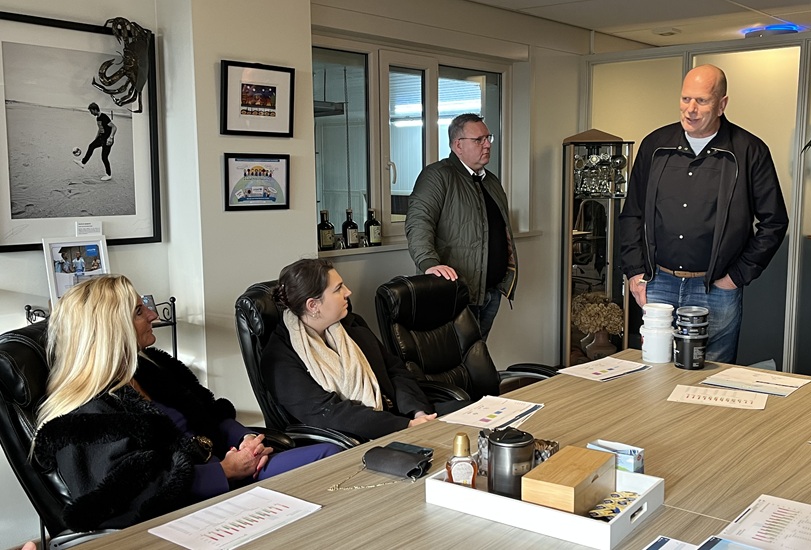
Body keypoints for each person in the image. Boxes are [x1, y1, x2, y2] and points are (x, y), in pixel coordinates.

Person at [32, 275, 340, 532]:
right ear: (113, 328)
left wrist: (245, 439)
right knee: (328, 466)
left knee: (333, 459)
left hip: (229, 474)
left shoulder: (150, 368)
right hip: (190, 510)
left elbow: (210, 413)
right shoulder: (85, 417)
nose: (153, 315)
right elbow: (133, 497)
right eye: (140, 311)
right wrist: (227, 471)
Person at [618, 64, 788, 363]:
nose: (691, 110)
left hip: (716, 287)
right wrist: (634, 271)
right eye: (685, 99)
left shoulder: (749, 150)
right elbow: (632, 213)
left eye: (702, 101)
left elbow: (774, 222)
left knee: (712, 377)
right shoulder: (655, 145)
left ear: (722, 104)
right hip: (658, 283)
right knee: (654, 373)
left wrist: (737, 276)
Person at [262, 258, 463, 441]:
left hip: (400, 413)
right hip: (359, 436)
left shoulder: (351, 324)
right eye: (338, 288)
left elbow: (395, 371)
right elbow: (328, 413)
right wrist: (405, 426)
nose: (348, 292)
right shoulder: (280, 357)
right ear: (313, 305)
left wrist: (417, 412)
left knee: (472, 414)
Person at [405, 113, 517, 340]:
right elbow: (418, 222)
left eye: (488, 138)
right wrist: (428, 263)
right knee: (454, 361)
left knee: (478, 358)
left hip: (490, 291)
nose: (487, 145)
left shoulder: (491, 181)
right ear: (458, 145)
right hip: (454, 293)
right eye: (479, 140)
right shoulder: (437, 176)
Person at [72, 102, 117, 181]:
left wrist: (111, 137)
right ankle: (83, 163)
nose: (91, 113)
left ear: (95, 109)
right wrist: (95, 139)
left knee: (104, 157)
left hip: (107, 140)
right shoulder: (98, 118)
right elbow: (100, 129)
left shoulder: (104, 117)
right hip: (101, 138)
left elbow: (114, 127)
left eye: (91, 111)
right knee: (91, 146)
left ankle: (108, 175)